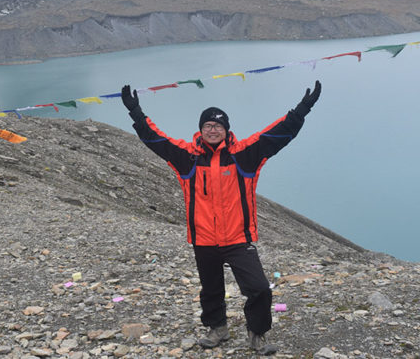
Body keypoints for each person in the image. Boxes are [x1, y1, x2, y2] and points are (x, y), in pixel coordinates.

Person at [120, 81, 321, 354]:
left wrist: (302, 109)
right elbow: (156, 140)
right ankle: (217, 329)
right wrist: (136, 112)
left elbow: (277, 134)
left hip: (238, 237)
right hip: (204, 238)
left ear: (226, 130)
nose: (213, 130)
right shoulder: (187, 157)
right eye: (208, 126)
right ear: (201, 130)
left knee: (259, 288)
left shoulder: (244, 156)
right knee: (211, 290)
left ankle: (257, 333)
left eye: (218, 126)